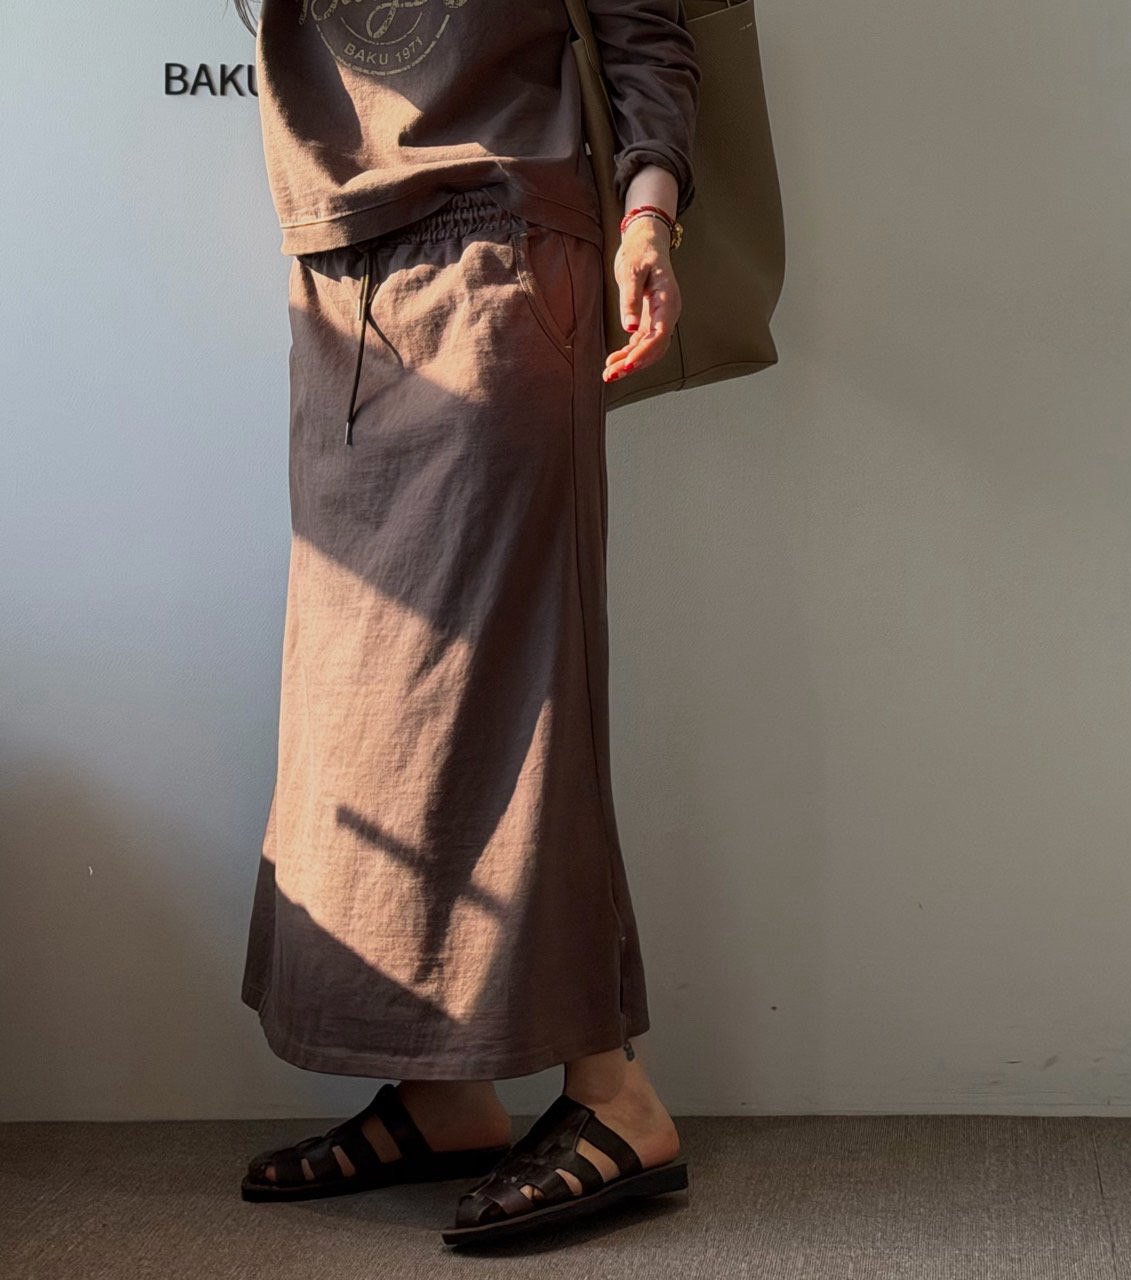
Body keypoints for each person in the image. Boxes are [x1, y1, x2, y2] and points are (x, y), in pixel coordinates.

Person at [228, 0, 700, 1246]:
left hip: (498, 250)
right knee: (371, 711)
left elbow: (647, 28)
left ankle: (617, 1093)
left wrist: (647, 211)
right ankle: (445, 1090)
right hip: (338, 275)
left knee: (519, 691)